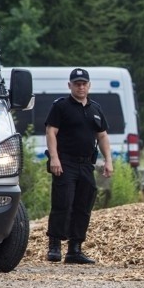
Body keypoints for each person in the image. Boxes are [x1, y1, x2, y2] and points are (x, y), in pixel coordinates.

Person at [45, 68, 113, 264]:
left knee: (83, 206)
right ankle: (55, 247)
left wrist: (108, 160)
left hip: (86, 164)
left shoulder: (96, 109)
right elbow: (51, 132)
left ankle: (75, 249)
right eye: (77, 83)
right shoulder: (61, 106)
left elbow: (102, 136)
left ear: (89, 85)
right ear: (70, 85)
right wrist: (54, 158)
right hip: (65, 162)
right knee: (62, 203)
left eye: (84, 83)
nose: (81, 86)